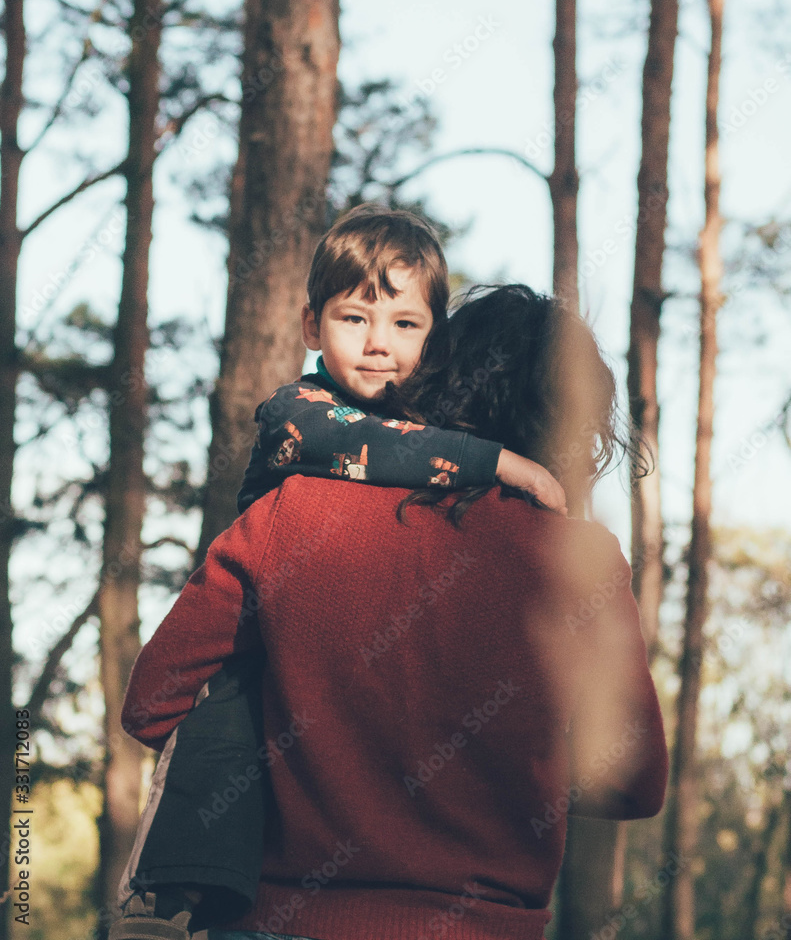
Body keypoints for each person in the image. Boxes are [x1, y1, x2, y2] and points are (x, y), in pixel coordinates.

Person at [120, 283, 668, 940]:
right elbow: (632, 782)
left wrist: (294, 751)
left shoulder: (290, 510)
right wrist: (514, 764)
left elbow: (153, 701)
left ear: (432, 377)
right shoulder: (581, 564)